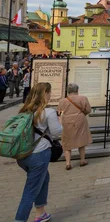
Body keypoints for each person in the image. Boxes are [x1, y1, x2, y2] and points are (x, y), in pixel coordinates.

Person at [15, 82, 62, 222]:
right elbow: (56, 133)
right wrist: (61, 121)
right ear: (45, 94)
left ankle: (40, 212)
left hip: (22, 154)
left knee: (44, 178)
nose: (50, 95)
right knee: (30, 190)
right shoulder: (48, 112)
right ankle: (19, 219)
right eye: (49, 92)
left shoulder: (24, 110)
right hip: (39, 154)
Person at [57, 83, 92, 170]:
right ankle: (82, 160)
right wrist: (83, 114)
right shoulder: (83, 98)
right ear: (77, 90)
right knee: (81, 140)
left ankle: (68, 163)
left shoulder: (63, 101)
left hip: (67, 121)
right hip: (80, 120)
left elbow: (59, 111)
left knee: (67, 142)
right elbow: (88, 110)